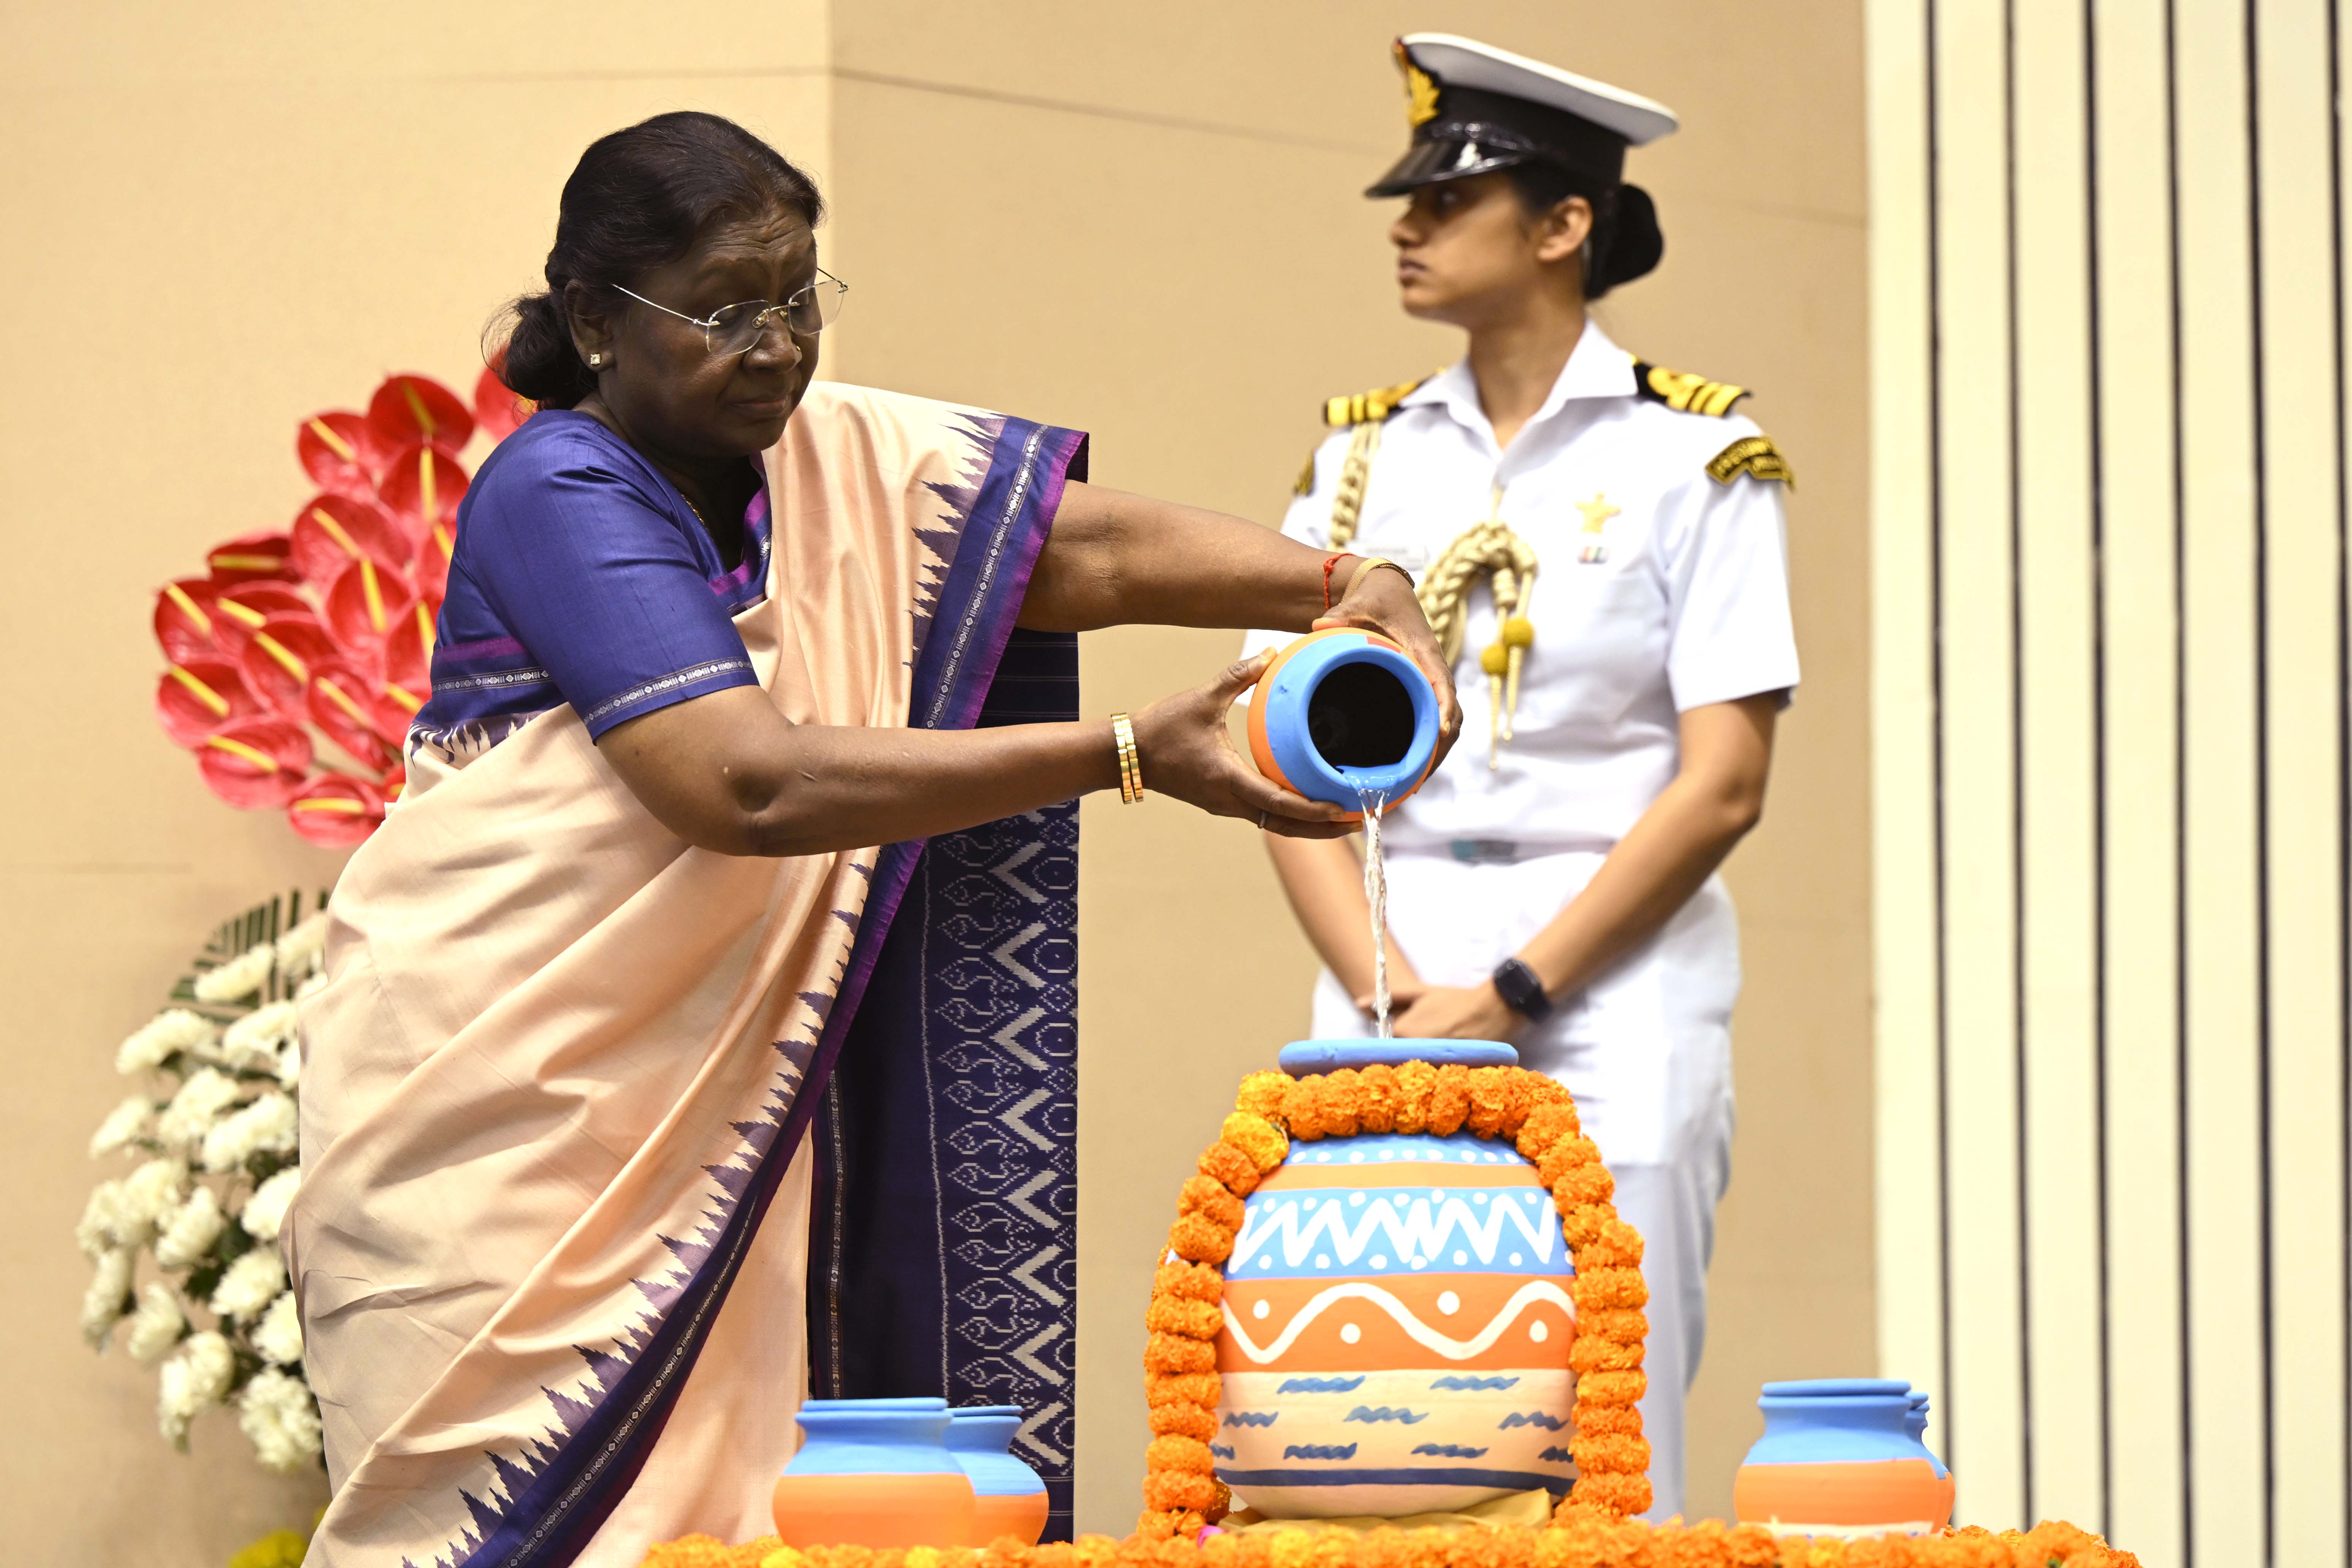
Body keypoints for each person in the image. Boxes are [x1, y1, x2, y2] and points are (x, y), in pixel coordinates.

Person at [286, 111, 1458, 1567]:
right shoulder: (559, 488)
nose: (777, 346)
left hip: (727, 1148)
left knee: (756, 1521)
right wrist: (1131, 754)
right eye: (724, 311)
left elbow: (1071, 553)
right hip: (514, 1146)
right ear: (592, 319)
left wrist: (1344, 580)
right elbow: (747, 788)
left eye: (798, 299)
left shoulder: (830, 463)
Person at [1242, 36, 1799, 1521]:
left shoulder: (1700, 455)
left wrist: (1519, 992)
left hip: (1607, 964)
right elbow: (1277, 748)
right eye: (1406, 200)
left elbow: (1723, 781)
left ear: (1564, 226)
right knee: (1371, 1399)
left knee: (1606, 1401)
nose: (1405, 225)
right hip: (1382, 945)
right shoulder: (1358, 465)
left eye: (1452, 195)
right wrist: (1386, 974)